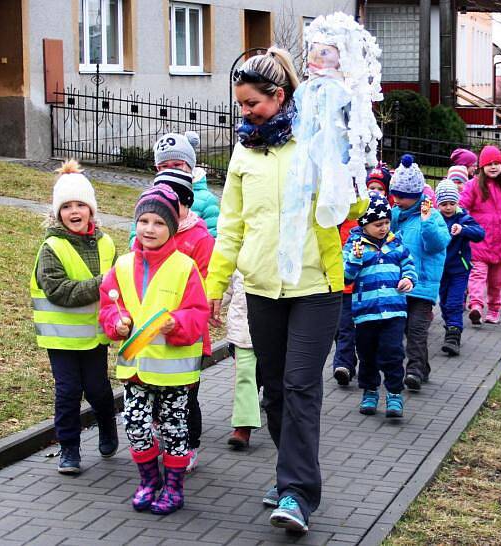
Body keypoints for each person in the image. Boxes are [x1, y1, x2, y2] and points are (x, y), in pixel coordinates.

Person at [205, 47, 367, 533]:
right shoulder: (243, 151)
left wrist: (348, 172)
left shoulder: (317, 139)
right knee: (273, 391)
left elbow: (352, 206)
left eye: (252, 103)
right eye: (241, 105)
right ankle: (289, 474)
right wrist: (216, 284)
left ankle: (297, 492)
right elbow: (231, 224)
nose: (245, 113)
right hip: (260, 287)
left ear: (279, 96)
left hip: (315, 284)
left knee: (300, 385)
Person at [99, 185, 209, 515]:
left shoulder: (184, 267)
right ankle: (149, 481)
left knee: (175, 431)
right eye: (144, 221)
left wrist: (176, 323)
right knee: (135, 426)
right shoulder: (121, 265)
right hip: (136, 367)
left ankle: (173, 487)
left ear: (171, 228)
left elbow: (198, 312)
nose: (150, 229)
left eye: (159, 223)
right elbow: (109, 305)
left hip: (175, 372)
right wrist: (116, 321)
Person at [30, 160, 118, 475]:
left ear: (91, 210)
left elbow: (120, 286)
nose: (74, 211)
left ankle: (108, 425)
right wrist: (103, 282)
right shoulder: (51, 247)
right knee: (68, 392)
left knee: (98, 389)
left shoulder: (106, 243)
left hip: (95, 336)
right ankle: (69, 448)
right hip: (61, 338)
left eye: (81, 204)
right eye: (66, 206)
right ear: (58, 213)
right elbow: (59, 291)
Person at [130, 168, 214, 473]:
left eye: (175, 199)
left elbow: (203, 287)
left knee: (186, 396)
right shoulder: (146, 237)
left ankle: (189, 444)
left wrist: (174, 314)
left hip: (186, 336)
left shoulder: (200, 238)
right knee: (153, 392)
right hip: (149, 338)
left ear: (186, 203)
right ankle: (160, 434)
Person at [343, 192, 417, 418]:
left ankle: (394, 394)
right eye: (378, 224)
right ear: (364, 224)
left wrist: (408, 279)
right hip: (366, 313)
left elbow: (409, 264)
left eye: (386, 222)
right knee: (367, 354)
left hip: (394, 310)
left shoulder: (396, 242)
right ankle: (370, 391)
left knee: (393, 352)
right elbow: (345, 277)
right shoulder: (355, 245)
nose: (384, 227)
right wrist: (355, 261)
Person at [389, 155, 450, 391]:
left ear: (415, 195)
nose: (398, 200)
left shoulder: (432, 216)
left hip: (423, 285)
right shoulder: (395, 215)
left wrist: (426, 223)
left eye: (403, 196)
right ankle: (422, 366)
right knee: (404, 328)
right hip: (402, 283)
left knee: (416, 329)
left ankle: (413, 370)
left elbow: (437, 244)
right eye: (395, 194)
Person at [333, 165, 391, 386]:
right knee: (344, 328)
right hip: (345, 286)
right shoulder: (340, 218)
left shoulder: (376, 222)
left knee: (365, 331)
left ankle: (367, 366)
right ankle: (344, 365)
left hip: (367, 287)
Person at [460, 145, 501, 325]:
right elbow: (463, 208)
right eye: (489, 164)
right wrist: (467, 227)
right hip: (479, 242)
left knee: (497, 282)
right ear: (482, 166)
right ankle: (476, 307)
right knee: (477, 276)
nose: (493, 167)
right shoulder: (473, 186)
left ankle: (494, 309)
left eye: (497, 163)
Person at [435, 180, 485, 354]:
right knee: (444, 302)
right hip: (440, 270)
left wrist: (463, 229)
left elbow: (480, 233)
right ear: (438, 204)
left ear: (457, 202)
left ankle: (454, 334)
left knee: (455, 302)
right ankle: (450, 325)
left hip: (459, 270)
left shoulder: (463, 217)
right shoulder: (434, 219)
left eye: (451, 203)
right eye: (443, 204)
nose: (448, 207)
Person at [153, 131, 220, 237]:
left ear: (190, 165)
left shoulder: (206, 200)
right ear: (157, 169)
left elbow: (212, 236)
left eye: (177, 164)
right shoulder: (152, 196)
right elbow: (137, 229)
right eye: (164, 166)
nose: (171, 170)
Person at [222, 271, 259, 449]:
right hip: (243, 328)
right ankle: (243, 427)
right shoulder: (235, 249)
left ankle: (286, 423)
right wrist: (206, 304)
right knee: (245, 376)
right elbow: (224, 286)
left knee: (277, 378)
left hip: (277, 326)